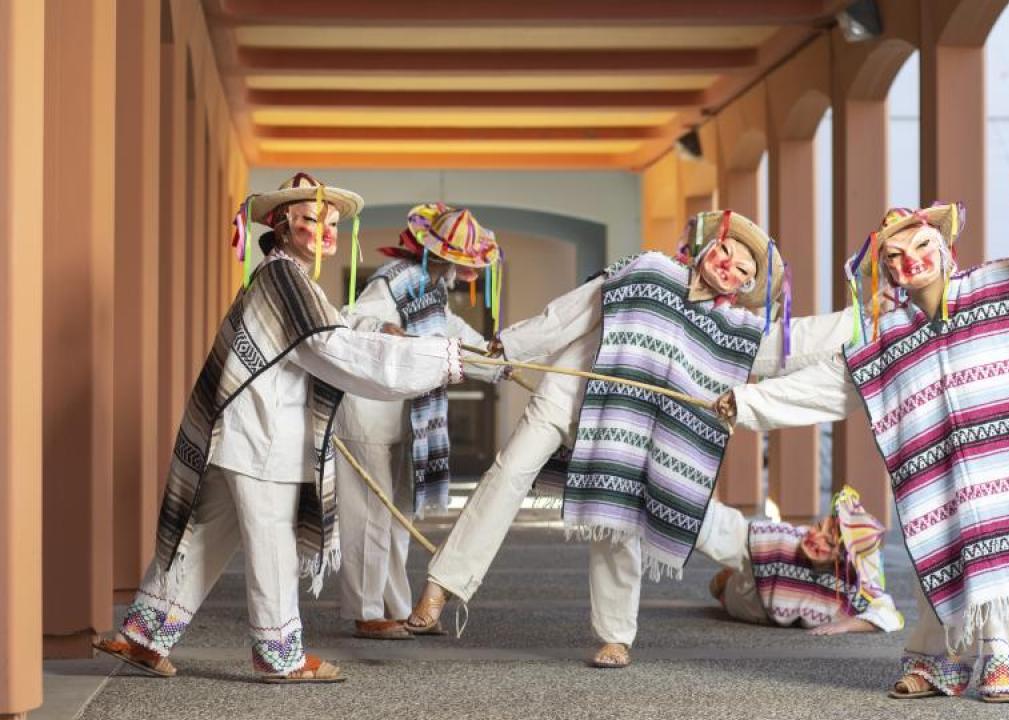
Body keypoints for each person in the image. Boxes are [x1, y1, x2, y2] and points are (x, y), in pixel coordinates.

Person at [412, 210, 856, 669]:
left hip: (625, 427)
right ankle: (439, 590)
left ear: (744, 287)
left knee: (616, 520)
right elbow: (576, 309)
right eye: (727, 251)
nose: (729, 266)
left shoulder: (730, 331)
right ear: (710, 246)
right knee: (506, 475)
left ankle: (616, 636)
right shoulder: (649, 269)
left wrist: (862, 321)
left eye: (744, 269)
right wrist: (513, 344)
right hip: (568, 394)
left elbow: (791, 343)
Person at [714, 150, 1009, 703]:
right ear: (883, 269)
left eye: (921, 246)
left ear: (944, 247)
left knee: (1006, 541)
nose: (911, 260)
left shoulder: (1004, 287)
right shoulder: (882, 339)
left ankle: (1006, 657)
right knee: (939, 542)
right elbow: (829, 386)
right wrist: (744, 403)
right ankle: (942, 659)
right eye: (894, 256)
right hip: (936, 466)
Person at [92, 173, 466, 683]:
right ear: (282, 225)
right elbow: (336, 352)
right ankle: (277, 654)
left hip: (240, 432)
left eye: (331, 223)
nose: (325, 232)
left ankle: (144, 636)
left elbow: (331, 340)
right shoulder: (286, 278)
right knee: (273, 544)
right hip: (263, 438)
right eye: (311, 220)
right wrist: (438, 359)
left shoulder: (283, 275)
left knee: (205, 537)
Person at [334, 204, 506, 640]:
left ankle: (394, 605)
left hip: (404, 416)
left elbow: (452, 332)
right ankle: (367, 610)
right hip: (369, 413)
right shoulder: (395, 278)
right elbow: (352, 319)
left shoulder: (431, 287)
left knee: (397, 518)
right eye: (464, 263)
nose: (467, 273)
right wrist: (386, 331)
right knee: (370, 515)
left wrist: (497, 357)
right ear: (437, 254)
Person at [706, 486, 903, 635]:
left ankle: (727, 581)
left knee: (724, 591)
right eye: (819, 526)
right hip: (757, 582)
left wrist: (845, 625)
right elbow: (734, 531)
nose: (815, 537)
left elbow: (890, 616)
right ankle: (730, 577)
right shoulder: (789, 538)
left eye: (829, 543)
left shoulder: (851, 589)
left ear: (843, 565)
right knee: (725, 581)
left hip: (760, 612)